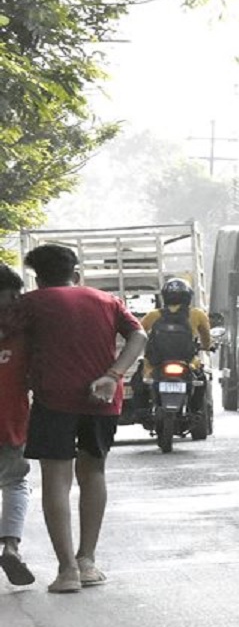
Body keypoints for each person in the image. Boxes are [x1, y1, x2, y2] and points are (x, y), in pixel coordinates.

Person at [20, 244, 147, 593]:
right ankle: (87, 561)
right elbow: (139, 334)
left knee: (56, 480)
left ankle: (67, 572)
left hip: (53, 401)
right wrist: (115, 373)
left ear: (37, 278)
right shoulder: (107, 300)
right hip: (103, 399)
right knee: (93, 472)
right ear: (75, 274)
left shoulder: (30, 303)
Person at [0, 264, 34, 587]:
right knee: (15, 483)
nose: (17, 300)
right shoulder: (22, 331)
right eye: (13, 294)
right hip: (9, 421)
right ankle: (10, 547)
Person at [137, 278, 212, 420]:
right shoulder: (197, 314)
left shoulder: (153, 315)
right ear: (188, 296)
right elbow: (206, 338)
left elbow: (138, 333)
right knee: (201, 379)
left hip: (156, 362)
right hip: (188, 361)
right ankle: (196, 411)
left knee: (140, 380)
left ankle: (142, 409)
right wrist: (208, 347)